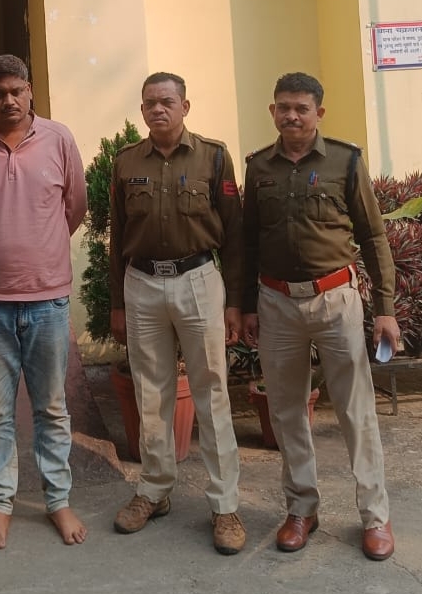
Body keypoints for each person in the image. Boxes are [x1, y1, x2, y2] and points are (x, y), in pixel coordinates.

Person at [241, 72, 399, 561]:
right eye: (283, 107)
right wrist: (244, 305)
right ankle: (301, 509)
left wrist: (385, 310)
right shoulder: (258, 167)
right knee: (287, 411)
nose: (291, 115)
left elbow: (373, 237)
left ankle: (375, 516)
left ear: (318, 113)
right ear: (272, 111)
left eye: (301, 108)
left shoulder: (345, 161)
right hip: (276, 303)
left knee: (356, 411)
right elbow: (248, 241)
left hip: (336, 301)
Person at [0, 54, 88, 550]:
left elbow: (74, 207)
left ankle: (58, 500)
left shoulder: (59, 139)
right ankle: (1, 504)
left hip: (48, 299)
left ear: (30, 92)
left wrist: (40, 249)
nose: (9, 100)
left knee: (52, 407)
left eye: (17, 91)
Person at [108, 72, 247, 555]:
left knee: (211, 391)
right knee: (150, 392)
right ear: (142, 109)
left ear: (185, 106)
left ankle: (225, 504)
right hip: (142, 282)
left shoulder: (213, 156)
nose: (157, 109)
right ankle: (154, 489)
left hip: (197, 279)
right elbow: (116, 237)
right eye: (149, 103)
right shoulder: (126, 162)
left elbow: (234, 234)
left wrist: (235, 302)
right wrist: (117, 303)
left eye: (167, 101)